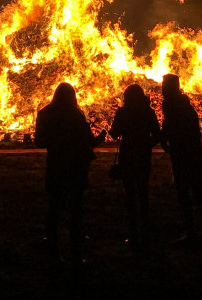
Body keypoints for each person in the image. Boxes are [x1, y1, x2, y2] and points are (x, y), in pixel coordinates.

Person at [34, 82, 106, 267]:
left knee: (55, 208)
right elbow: (89, 140)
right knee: (75, 209)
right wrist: (100, 138)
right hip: (75, 167)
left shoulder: (45, 113)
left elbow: (39, 141)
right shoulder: (75, 114)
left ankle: (53, 249)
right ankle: (75, 252)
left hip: (56, 166)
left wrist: (56, 142)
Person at [109, 84, 161, 254]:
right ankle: (145, 227)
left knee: (130, 193)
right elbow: (157, 133)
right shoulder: (148, 111)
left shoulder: (123, 112)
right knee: (143, 190)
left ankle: (133, 231)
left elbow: (114, 133)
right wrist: (147, 145)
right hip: (143, 155)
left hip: (128, 155)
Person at [160, 73, 202, 249]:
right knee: (194, 192)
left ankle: (197, 233)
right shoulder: (177, 103)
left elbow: (175, 127)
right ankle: (201, 232)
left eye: (164, 85)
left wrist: (163, 139)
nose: (162, 88)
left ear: (172, 87)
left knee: (190, 192)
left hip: (186, 153)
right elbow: (168, 125)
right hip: (187, 152)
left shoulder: (175, 104)